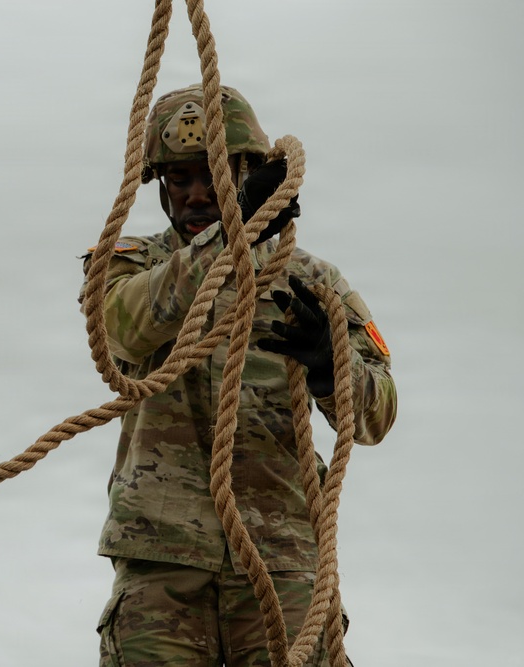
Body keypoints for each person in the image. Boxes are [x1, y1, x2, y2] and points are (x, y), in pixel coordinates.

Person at [82, 84, 397, 666]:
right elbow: (122, 330)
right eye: (181, 180)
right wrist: (227, 236)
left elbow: (377, 414)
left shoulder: (311, 281)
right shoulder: (133, 263)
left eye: (216, 176)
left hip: (284, 556)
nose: (199, 194)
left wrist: (332, 367)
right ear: (160, 187)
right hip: (163, 554)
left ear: (250, 172)